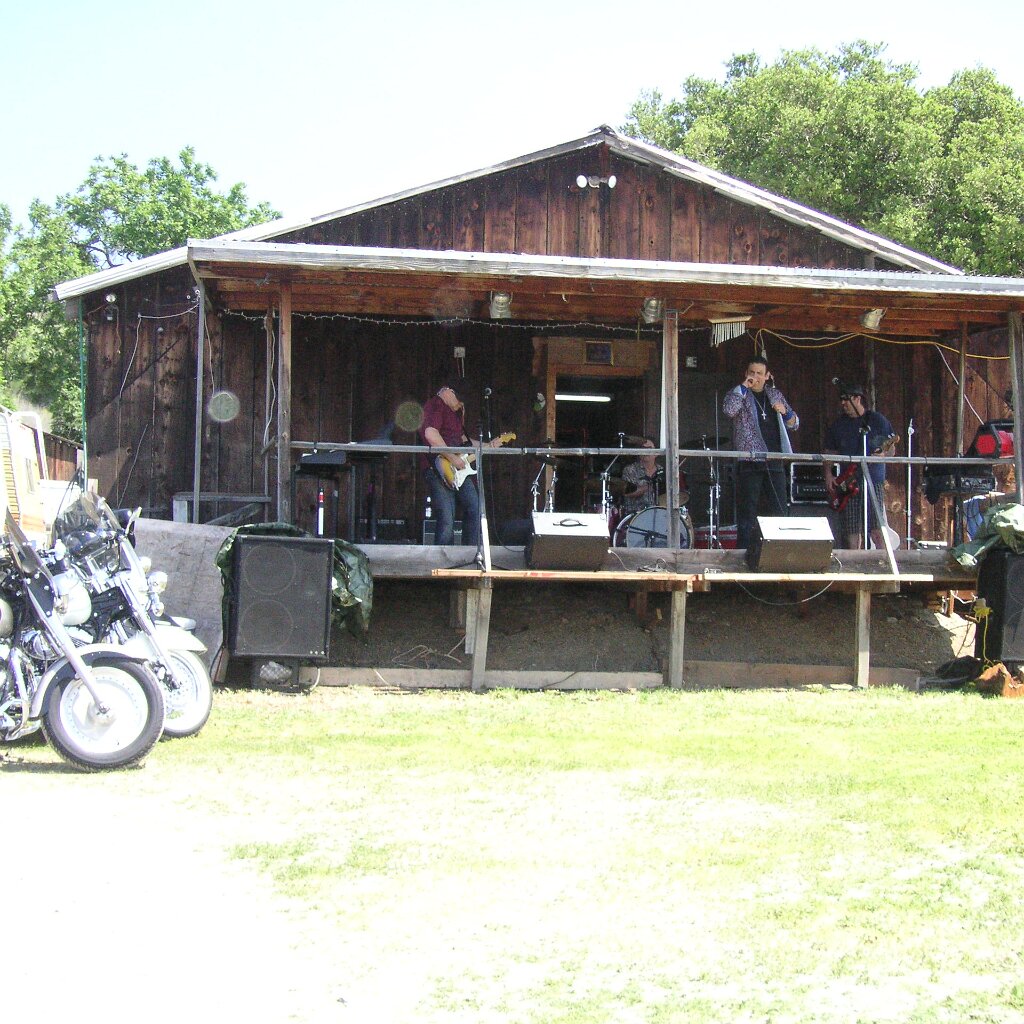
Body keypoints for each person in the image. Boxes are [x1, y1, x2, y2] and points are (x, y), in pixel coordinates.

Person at [723, 356, 799, 548]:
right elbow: (729, 410)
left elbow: (795, 424)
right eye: (751, 372)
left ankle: (781, 552)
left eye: (759, 373)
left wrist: (786, 412)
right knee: (748, 512)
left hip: (774, 460)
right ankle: (742, 555)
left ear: (767, 376)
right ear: (746, 374)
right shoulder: (739, 393)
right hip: (750, 460)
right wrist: (743, 387)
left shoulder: (775, 395)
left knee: (779, 510)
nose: (755, 377)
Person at [419, 384, 498, 546]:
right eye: (456, 396)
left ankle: (469, 555)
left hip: (458, 469)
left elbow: (464, 442)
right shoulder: (436, 404)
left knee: (474, 509)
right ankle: (442, 562)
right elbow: (430, 434)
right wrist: (453, 459)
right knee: (447, 517)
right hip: (438, 468)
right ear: (447, 392)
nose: (460, 402)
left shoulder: (453, 414)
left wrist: (489, 445)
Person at [822, 383, 896, 549]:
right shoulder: (838, 425)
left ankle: (883, 564)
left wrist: (883, 454)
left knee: (877, 528)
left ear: (857, 398)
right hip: (848, 481)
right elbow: (829, 453)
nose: (843, 404)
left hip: (873, 479)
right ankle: (854, 566)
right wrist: (828, 475)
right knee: (852, 529)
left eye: (846, 400)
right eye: (841, 401)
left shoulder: (876, 420)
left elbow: (891, 449)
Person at [621, 439, 661, 512]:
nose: (645, 452)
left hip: (658, 515)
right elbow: (628, 493)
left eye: (649, 449)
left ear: (657, 453)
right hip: (635, 515)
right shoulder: (630, 470)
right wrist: (651, 486)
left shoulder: (662, 471)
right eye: (643, 448)